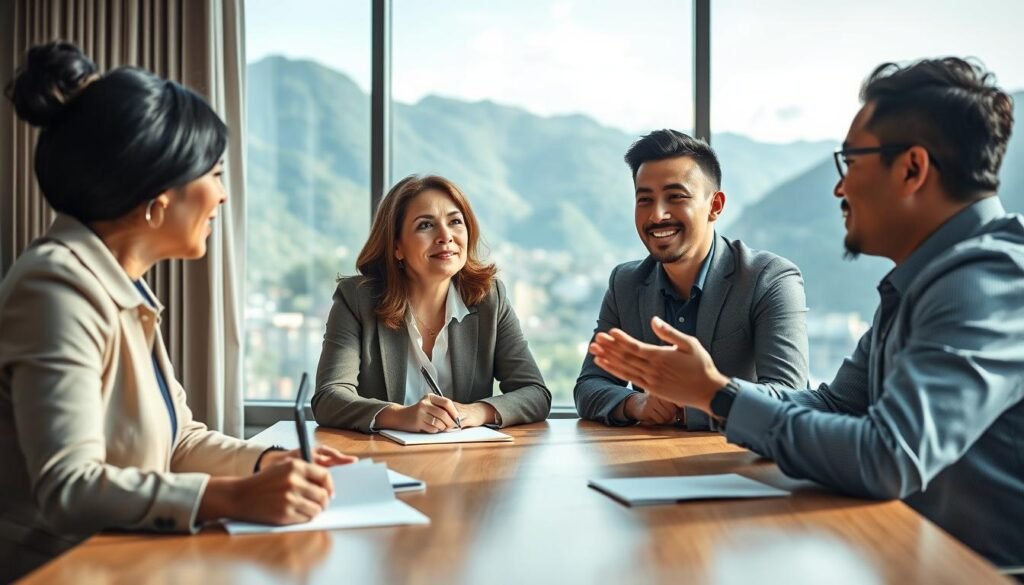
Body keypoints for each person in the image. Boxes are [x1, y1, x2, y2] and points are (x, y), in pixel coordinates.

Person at [589, 58, 1024, 570]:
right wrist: (707, 392)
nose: (841, 189)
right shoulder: (921, 281)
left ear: (912, 169)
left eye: (851, 164)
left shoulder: (988, 278)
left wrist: (713, 393)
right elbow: (835, 403)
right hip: (913, 552)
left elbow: (889, 458)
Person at [0, 41, 355, 581]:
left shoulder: (118, 284)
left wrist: (267, 463)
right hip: (67, 568)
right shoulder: (56, 286)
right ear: (159, 194)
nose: (223, 196)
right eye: (213, 174)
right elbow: (68, 486)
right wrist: (234, 496)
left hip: (129, 558)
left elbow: (179, 440)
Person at [575, 130, 809, 429]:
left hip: (741, 462)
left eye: (676, 197)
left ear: (715, 205)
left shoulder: (770, 279)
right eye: (645, 199)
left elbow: (789, 397)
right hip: (646, 462)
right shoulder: (626, 282)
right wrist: (638, 404)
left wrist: (691, 407)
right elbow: (590, 385)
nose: (657, 215)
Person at [313, 175, 552, 433]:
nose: (445, 236)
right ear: (397, 247)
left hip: (466, 464)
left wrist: (474, 411)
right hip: (383, 462)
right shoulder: (356, 300)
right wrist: (400, 416)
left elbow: (535, 393)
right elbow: (329, 397)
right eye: (426, 225)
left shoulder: (488, 299)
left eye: (455, 222)